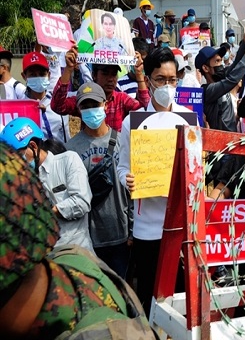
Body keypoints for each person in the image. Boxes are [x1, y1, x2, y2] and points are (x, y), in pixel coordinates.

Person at [0, 141, 155, 339]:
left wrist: (50, 209)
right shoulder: (27, 178)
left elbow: (83, 201)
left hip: (89, 243)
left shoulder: (68, 159)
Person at [117, 47, 193, 315]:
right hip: (147, 228)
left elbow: (196, 169)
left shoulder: (188, 120)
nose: (168, 85)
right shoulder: (133, 123)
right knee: (152, 300)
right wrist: (126, 179)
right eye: (161, 79)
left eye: (173, 79)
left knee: (183, 302)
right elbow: (122, 165)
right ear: (148, 80)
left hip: (181, 227)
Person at [66, 82, 131, 279]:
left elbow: (132, 189)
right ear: (78, 109)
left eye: (95, 104)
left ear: (106, 104)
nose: (91, 110)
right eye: (85, 106)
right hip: (89, 238)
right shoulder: (71, 149)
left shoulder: (123, 141)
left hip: (121, 234)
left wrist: (132, 230)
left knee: (122, 291)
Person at [0, 117, 93, 251]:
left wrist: (44, 211)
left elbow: (82, 202)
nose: (16, 163)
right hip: (45, 258)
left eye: (18, 156)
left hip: (76, 252)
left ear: (33, 146)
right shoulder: (22, 179)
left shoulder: (68, 160)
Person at [51, 45, 150, 132]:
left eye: (114, 74)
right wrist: (68, 69)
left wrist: (139, 74)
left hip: (115, 152)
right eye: (105, 73)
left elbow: (145, 110)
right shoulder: (84, 99)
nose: (110, 79)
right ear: (94, 75)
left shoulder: (121, 99)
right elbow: (58, 106)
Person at [21, 51, 71, 142]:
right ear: (24, 76)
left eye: (41, 74)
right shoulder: (21, 108)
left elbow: (66, 134)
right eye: (32, 75)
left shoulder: (57, 102)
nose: (38, 77)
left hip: (61, 153)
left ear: (49, 75)